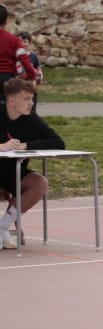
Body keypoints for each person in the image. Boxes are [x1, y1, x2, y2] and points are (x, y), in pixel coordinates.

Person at [0, 77, 65, 249]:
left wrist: (25, 145)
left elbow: (57, 142)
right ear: (11, 100)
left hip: (12, 171)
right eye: (26, 99)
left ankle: (2, 227)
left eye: (32, 98)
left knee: (39, 183)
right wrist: (1, 146)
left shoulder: (31, 119)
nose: (31, 103)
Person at [0, 5, 40, 88]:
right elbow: (24, 59)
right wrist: (32, 77)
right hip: (7, 79)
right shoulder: (14, 40)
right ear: (6, 21)